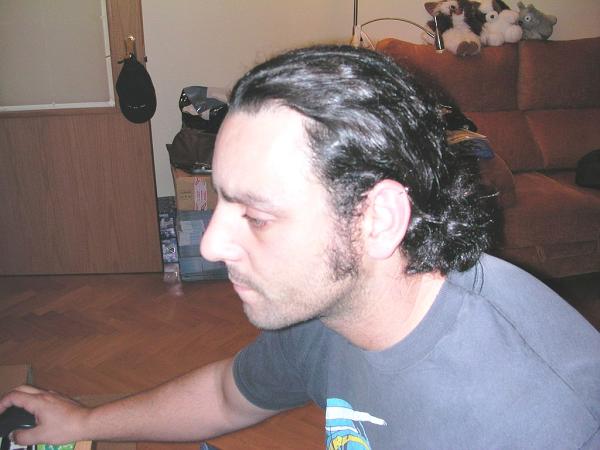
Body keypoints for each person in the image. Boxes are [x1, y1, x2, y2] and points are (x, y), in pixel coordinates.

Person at [2, 45, 599, 449]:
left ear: (377, 219)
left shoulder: (533, 419)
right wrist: (84, 420)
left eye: (257, 216)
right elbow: (228, 395)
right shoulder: (333, 302)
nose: (211, 245)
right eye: (223, 200)